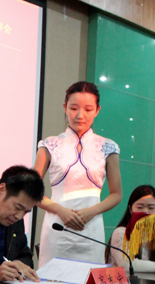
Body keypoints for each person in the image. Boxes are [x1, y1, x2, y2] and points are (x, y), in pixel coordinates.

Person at [34, 81, 122, 266]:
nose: (80, 115)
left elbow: (116, 194)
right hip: (57, 226)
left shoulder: (107, 147)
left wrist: (92, 211)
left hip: (91, 228)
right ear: (65, 107)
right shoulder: (49, 145)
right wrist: (60, 210)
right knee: (52, 279)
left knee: (89, 280)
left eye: (88, 109)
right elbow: (31, 192)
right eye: (74, 108)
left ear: (97, 110)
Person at [106, 185, 155, 273]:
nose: (145, 212)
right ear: (130, 209)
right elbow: (127, 264)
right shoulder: (121, 233)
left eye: (151, 208)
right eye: (140, 207)